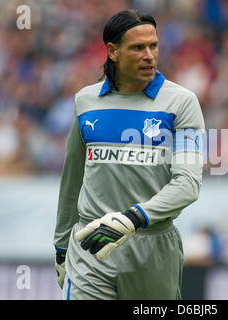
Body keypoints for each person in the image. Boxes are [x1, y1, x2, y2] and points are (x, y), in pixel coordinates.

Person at [53, 9, 205, 300]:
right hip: (90, 245)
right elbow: (72, 179)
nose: (149, 55)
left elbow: (187, 183)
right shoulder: (85, 101)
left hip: (152, 249)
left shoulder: (182, 103)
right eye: (138, 47)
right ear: (113, 51)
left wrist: (134, 218)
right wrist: (62, 246)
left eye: (154, 46)